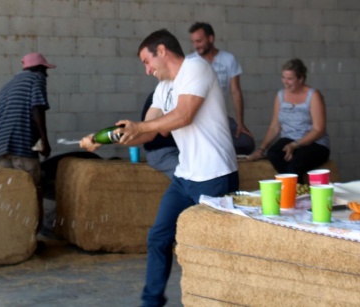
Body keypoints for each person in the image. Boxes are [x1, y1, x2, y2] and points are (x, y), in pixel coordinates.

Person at [80, 29, 239, 307]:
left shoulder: (196, 68)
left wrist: (139, 126)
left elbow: (183, 115)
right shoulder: (163, 88)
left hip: (214, 175)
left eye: (146, 61)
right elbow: (147, 133)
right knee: (158, 237)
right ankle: (151, 302)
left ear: (162, 51)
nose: (147, 70)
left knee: (213, 246)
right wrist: (102, 139)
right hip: (185, 175)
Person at [0, 52, 54, 235]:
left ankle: (13, 240)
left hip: (0, 149)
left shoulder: (6, 87)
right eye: (45, 69)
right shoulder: (36, 80)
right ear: (38, 68)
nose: (46, 75)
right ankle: (32, 242)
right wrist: (45, 141)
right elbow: (37, 108)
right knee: (32, 196)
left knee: (11, 197)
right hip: (21, 148)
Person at [247, 59, 330, 183]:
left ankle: (294, 191)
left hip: (314, 142)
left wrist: (295, 145)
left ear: (301, 78)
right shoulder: (280, 95)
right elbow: (275, 127)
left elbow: (319, 129)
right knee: (273, 154)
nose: (286, 82)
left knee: (295, 164)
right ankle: (297, 187)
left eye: (290, 79)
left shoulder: (313, 96)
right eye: (283, 77)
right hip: (289, 138)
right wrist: (261, 149)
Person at [188, 22, 255, 155]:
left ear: (211, 38)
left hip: (221, 118)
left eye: (199, 41)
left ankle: (216, 150)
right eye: (194, 42)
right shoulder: (189, 62)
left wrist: (240, 123)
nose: (196, 46)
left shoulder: (228, 59)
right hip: (197, 120)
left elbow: (236, 93)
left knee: (246, 143)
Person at [140, 91, 179, 179]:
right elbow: (164, 131)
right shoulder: (164, 94)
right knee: (187, 179)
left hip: (175, 150)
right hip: (163, 152)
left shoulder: (164, 93)